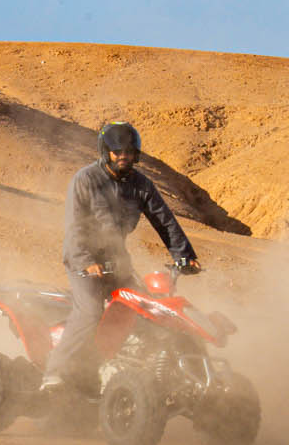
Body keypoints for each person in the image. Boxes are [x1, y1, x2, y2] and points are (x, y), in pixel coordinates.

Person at [39, 120, 200, 396]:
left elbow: (164, 220)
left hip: (117, 259)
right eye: (118, 151)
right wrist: (85, 260)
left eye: (129, 151)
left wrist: (184, 256)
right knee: (90, 311)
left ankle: (122, 368)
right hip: (82, 259)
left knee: (145, 311)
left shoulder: (141, 184)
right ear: (106, 151)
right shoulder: (86, 179)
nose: (124, 156)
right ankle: (54, 373)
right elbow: (76, 224)